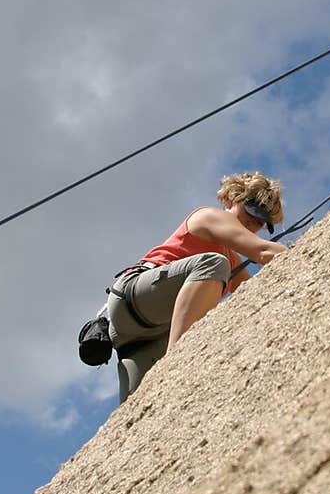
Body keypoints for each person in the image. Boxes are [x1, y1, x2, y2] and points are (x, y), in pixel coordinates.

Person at [106, 170, 288, 403]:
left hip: (144, 335)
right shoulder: (210, 217)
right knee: (214, 264)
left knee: (145, 405)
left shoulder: (230, 259)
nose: (255, 222)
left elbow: (253, 290)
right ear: (233, 199)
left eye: (263, 221)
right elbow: (262, 251)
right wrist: (306, 252)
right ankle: (178, 358)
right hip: (136, 296)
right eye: (252, 210)